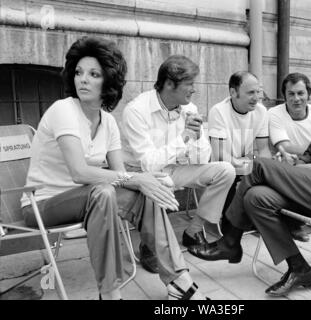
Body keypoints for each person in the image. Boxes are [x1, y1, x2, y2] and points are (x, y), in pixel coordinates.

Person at [21, 37, 207, 300]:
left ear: (108, 81)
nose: (83, 79)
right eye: (79, 72)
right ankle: (110, 294)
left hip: (89, 198)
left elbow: (123, 179)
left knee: (141, 191)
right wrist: (136, 177)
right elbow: (80, 173)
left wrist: (147, 181)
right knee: (105, 192)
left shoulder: (107, 122)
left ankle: (179, 281)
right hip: (41, 205)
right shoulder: (63, 110)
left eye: (94, 74)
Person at [188, 51, 311, 297]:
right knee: (256, 197)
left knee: (258, 165)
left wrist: (298, 169)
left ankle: (230, 241)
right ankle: (299, 268)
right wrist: (294, 162)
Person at [122, 55, 235, 273]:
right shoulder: (136, 111)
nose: (194, 90)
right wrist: (183, 138)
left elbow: (203, 160)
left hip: (174, 169)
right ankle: (150, 245)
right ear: (169, 83)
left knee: (226, 171)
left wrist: (197, 136)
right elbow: (148, 164)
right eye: (189, 84)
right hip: (140, 175)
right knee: (160, 179)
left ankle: (193, 232)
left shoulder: (188, 107)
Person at [269, 72, 311, 241]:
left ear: (309, 94)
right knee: (289, 170)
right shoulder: (274, 113)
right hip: (289, 163)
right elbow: (284, 146)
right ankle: (293, 223)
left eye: (301, 93)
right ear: (284, 96)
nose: (296, 98)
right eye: (291, 94)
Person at [208, 71, 271, 232]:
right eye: (250, 93)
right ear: (233, 92)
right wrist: (247, 164)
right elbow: (221, 154)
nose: (256, 98)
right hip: (220, 165)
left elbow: (263, 149)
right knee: (230, 171)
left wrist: (265, 168)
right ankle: (230, 223)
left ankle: (263, 218)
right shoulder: (219, 111)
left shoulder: (261, 111)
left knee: (269, 171)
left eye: (258, 92)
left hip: (245, 160)